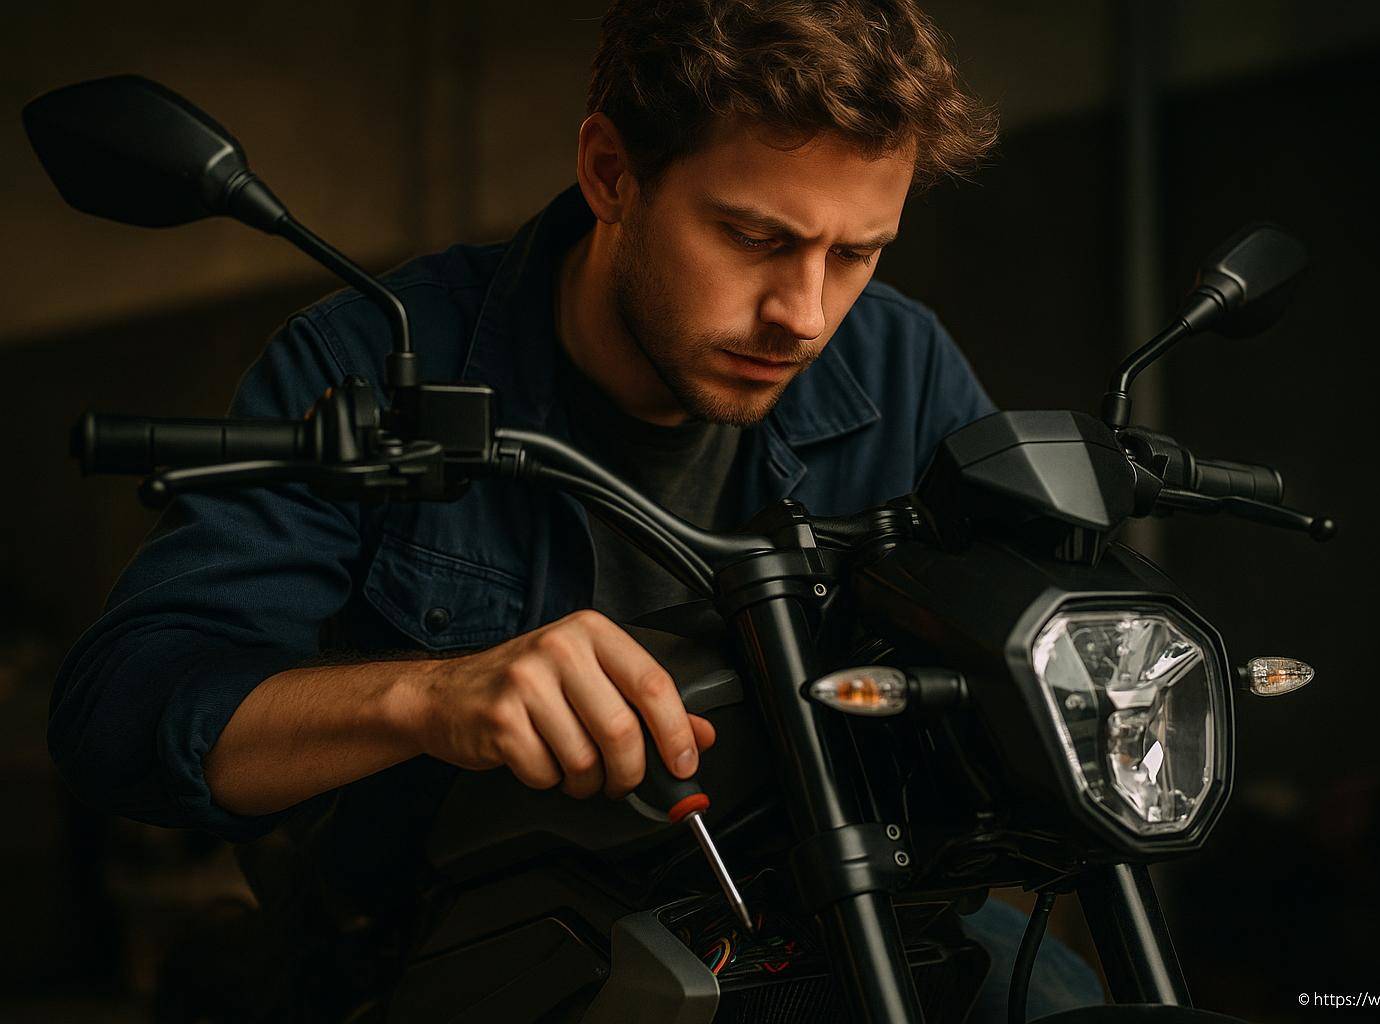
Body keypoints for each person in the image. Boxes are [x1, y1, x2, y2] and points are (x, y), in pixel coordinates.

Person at [52, 0, 1103, 1017]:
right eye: (752, 236)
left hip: (829, 906)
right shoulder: (366, 362)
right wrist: (433, 698)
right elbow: (125, 715)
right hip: (452, 950)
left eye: (857, 253)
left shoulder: (898, 359)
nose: (806, 313)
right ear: (611, 173)